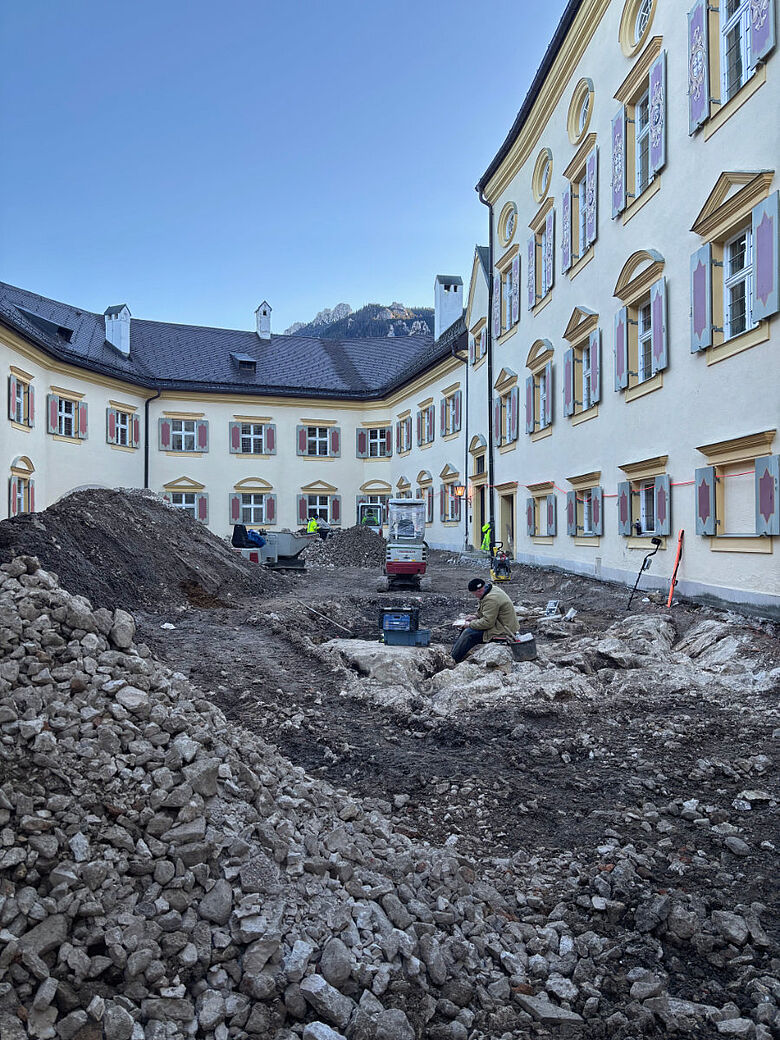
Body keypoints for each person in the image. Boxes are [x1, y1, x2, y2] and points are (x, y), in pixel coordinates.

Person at [451, 577, 519, 663]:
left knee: (468, 633)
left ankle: (453, 659)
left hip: (504, 629)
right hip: (501, 623)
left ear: (479, 591)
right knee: (466, 629)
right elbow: (488, 611)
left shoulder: (491, 599)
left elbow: (487, 623)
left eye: (474, 594)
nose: (475, 596)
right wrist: (475, 616)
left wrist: (469, 624)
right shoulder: (491, 589)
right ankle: (455, 653)